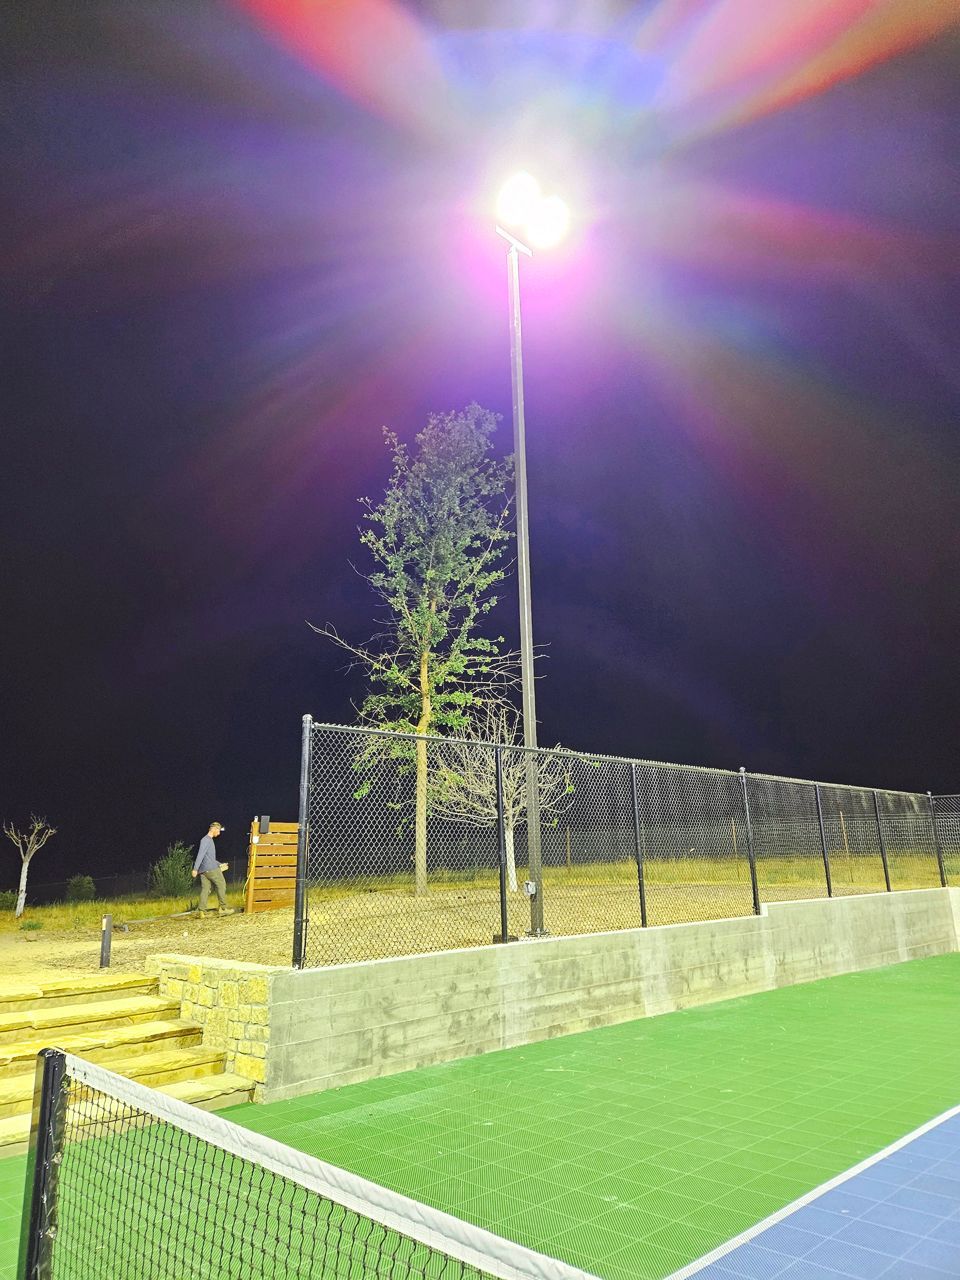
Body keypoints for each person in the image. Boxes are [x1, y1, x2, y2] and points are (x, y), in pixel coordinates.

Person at [191, 822, 234, 915]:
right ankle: (223, 908)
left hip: (204, 871)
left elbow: (209, 858)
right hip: (211, 869)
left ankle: (201, 911)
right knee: (222, 884)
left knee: (205, 889)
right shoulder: (206, 840)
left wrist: (220, 864)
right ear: (213, 829)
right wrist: (195, 869)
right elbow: (200, 854)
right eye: (218, 831)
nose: (219, 833)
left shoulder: (207, 840)